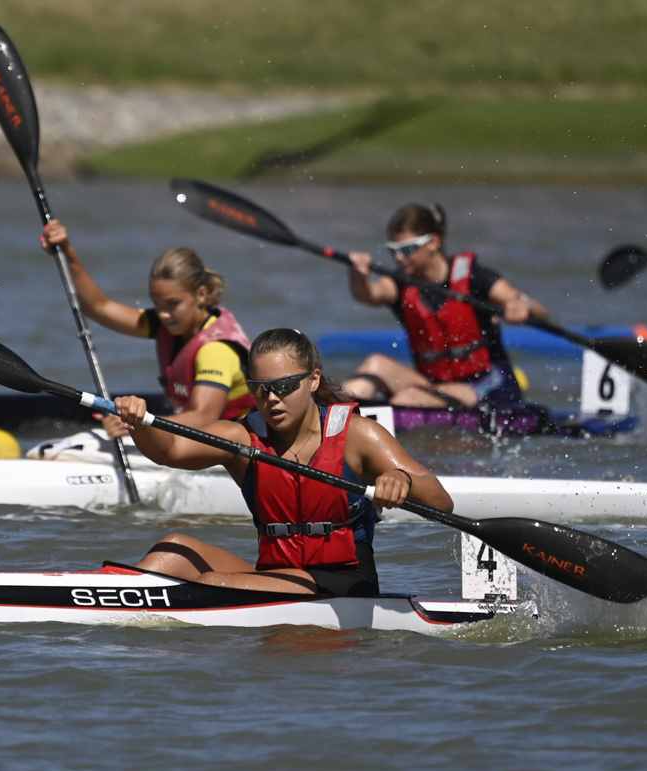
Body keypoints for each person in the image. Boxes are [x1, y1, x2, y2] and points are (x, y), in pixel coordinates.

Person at [112, 328, 453, 597]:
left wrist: (400, 479)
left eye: (285, 386)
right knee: (171, 550)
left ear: (314, 380)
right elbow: (170, 450)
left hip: (344, 582)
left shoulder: (357, 434)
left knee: (215, 582)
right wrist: (140, 423)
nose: (272, 399)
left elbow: (442, 500)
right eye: (261, 389)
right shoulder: (243, 438)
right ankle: (106, 597)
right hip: (276, 577)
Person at [41, 221, 254, 434]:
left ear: (201, 294)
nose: (163, 314)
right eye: (157, 304)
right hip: (192, 435)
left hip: (236, 445)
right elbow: (100, 308)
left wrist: (137, 423)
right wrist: (67, 252)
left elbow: (203, 417)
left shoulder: (216, 350)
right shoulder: (168, 323)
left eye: (173, 304)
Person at [341, 203, 548, 409]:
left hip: (490, 387)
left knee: (408, 398)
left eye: (407, 249)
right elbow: (368, 294)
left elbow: (540, 312)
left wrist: (522, 305)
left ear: (433, 242)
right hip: (435, 386)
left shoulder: (474, 277)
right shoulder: (402, 283)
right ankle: (332, 411)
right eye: (393, 250)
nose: (398, 258)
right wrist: (357, 275)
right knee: (374, 365)